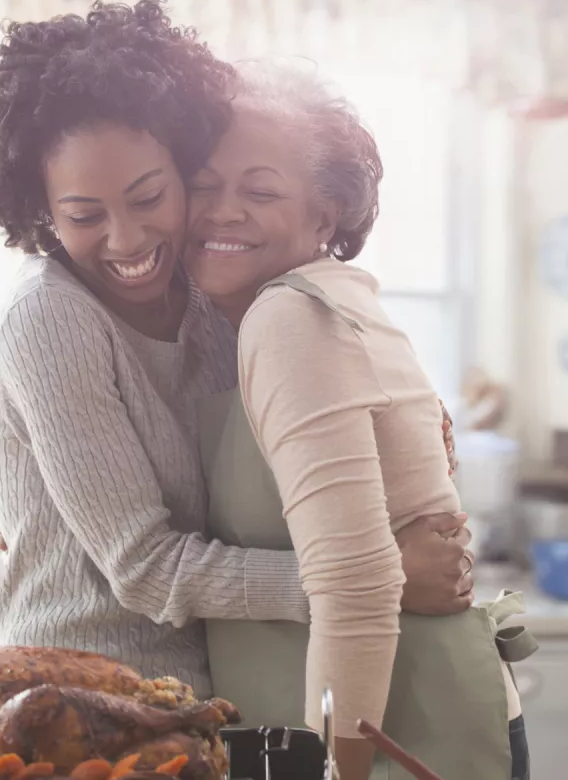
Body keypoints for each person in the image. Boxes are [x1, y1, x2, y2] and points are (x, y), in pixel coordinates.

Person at [0, 0, 473, 707]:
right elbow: (142, 568)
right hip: (78, 703)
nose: (127, 240)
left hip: (213, 701)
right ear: (41, 213)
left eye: (149, 197)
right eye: (85, 215)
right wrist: (374, 576)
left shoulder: (215, 296)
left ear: (182, 170)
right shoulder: (48, 319)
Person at [184, 60, 534, 780]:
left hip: (392, 739)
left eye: (260, 190)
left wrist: (330, 770)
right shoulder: (305, 307)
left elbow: (357, 586)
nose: (222, 211)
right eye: (205, 185)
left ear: (325, 217)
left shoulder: (290, 316)